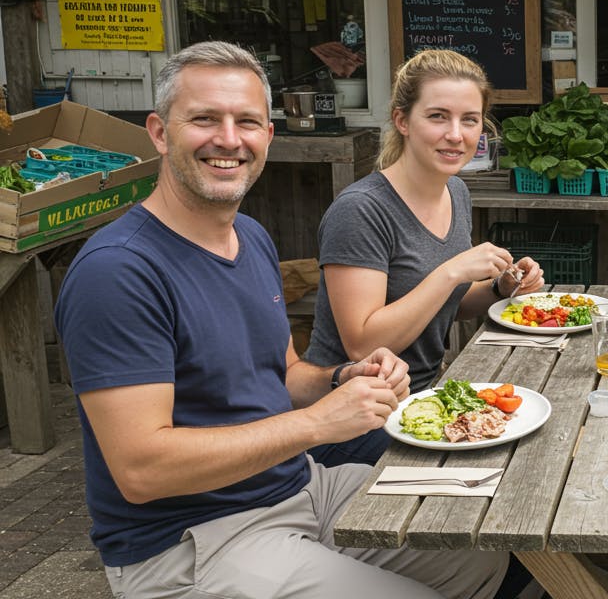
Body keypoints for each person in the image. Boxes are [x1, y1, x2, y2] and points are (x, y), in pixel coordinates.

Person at [53, 41, 507, 599]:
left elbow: (286, 376)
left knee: (482, 547)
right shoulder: (118, 272)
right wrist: (321, 424)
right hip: (191, 539)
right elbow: (142, 471)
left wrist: (343, 379)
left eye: (246, 121)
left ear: (268, 135)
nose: (228, 138)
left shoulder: (250, 237)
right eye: (204, 119)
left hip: (296, 487)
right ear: (159, 132)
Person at [303, 49, 544, 467]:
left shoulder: (456, 192)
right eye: (437, 116)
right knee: (515, 463)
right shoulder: (360, 210)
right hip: (355, 420)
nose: (456, 134)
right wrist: (451, 272)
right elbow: (362, 344)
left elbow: (449, 308)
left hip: (428, 399)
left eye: (469, 119)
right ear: (402, 121)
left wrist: (498, 288)